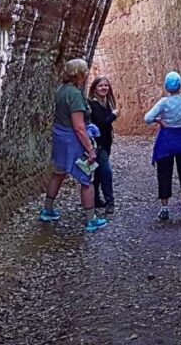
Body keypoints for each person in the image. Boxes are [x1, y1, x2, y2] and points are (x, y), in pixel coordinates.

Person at [38, 58, 107, 233]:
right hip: (72, 141)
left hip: (60, 138)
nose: (86, 74)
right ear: (79, 74)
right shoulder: (75, 95)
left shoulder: (62, 90)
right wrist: (90, 150)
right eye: (84, 71)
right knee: (86, 179)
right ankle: (91, 219)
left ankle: (48, 209)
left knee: (58, 173)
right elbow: (78, 126)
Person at [144, 71, 181, 221]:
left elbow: (147, 118)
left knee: (164, 173)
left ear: (166, 86)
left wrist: (159, 121)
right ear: (180, 85)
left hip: (166, 140)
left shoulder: (163, 102)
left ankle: (164, 208)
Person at [88, 75, 117, 215]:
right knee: (106, 172)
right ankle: (110, 202)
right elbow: (102, 122)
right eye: (101, 85)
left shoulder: (105, 103)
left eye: (106, 85)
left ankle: (96, 199)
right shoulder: (93, 104)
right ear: (94, 89)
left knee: (99, 172)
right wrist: (114, 115)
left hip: (106, 143)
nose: (104, 88)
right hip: (98, 145)